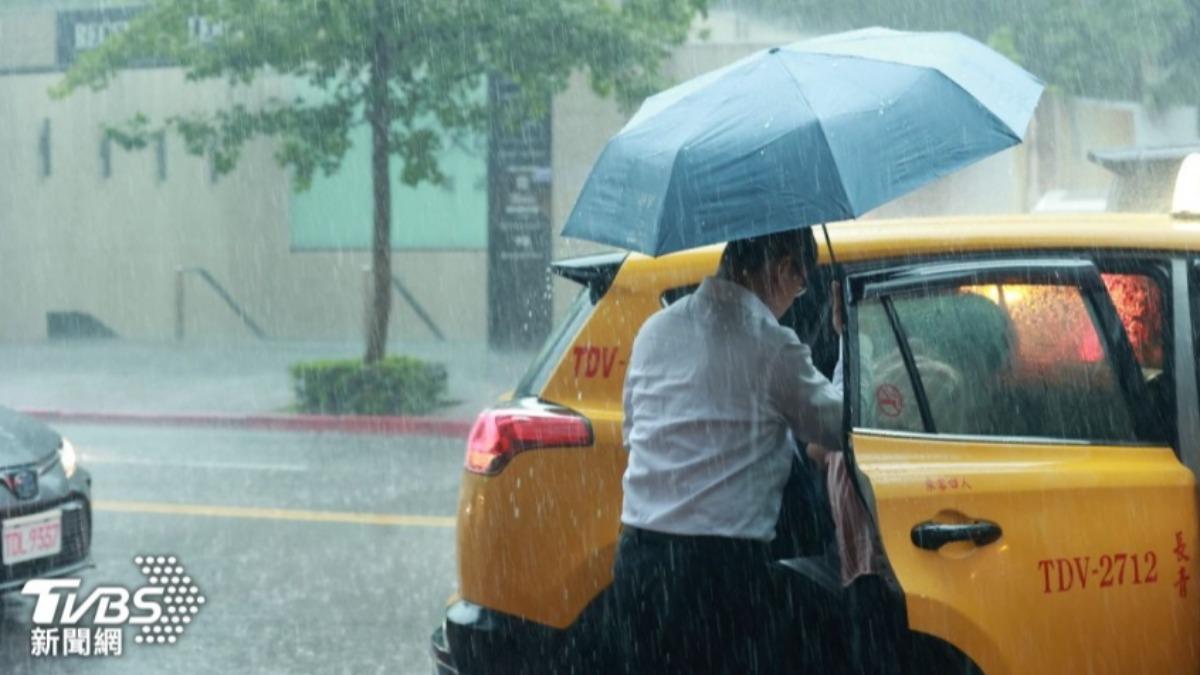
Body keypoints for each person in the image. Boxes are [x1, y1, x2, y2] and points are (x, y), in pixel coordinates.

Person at [611, 227, 844, 674]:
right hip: (720, 577)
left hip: (639, 561)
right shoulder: (770, 345)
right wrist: (848, 342)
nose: (796, 298)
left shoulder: (654, 331)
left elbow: (633, 432)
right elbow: (838, 427)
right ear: (781, 270)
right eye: (800, 285)